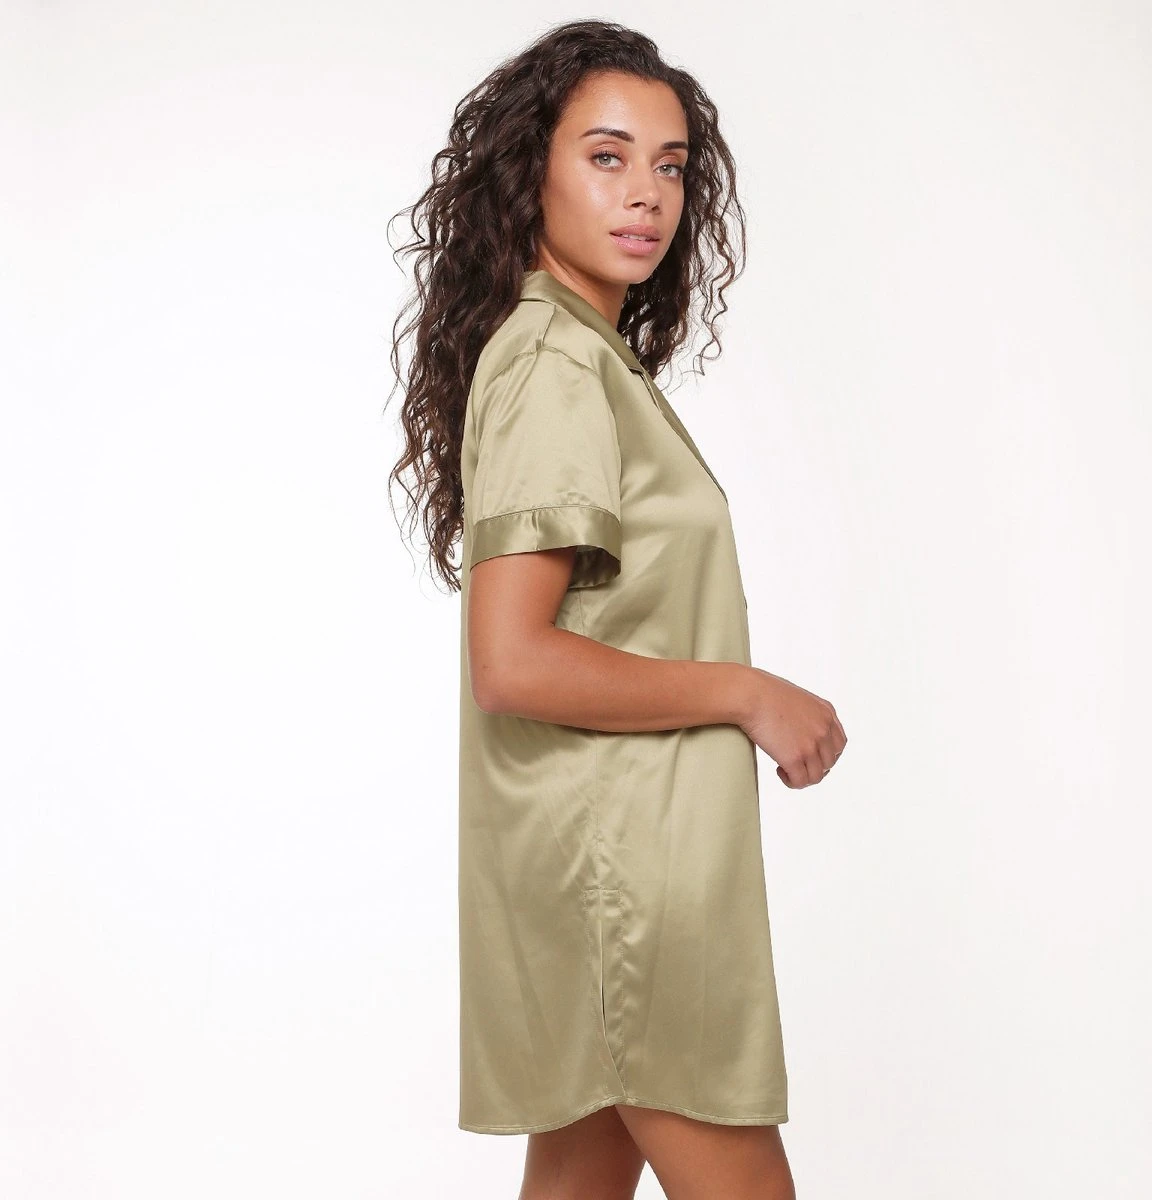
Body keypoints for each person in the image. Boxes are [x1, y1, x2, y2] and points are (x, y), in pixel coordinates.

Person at [388, 19, 846, 1200]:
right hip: (625, 887)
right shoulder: (552, 363)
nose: (647, 193)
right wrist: (746, 691)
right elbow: (512, 661)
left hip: (614, 871)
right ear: (529, 172)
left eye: (670, 165)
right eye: (606, 156)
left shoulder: (580, 353)